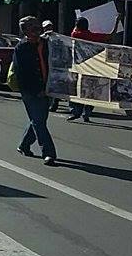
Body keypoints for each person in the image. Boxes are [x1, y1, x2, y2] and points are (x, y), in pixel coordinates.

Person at [14, 16, 57, 166]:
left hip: (48, 88)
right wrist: (36, 90)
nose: (36, 28)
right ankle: (49, 153)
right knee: (39, 122)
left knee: (38, 120)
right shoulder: (21, 48)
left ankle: (24, 145)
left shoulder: (46, 44)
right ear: (25, 30)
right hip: (32, 92)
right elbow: (22, 74)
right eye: (31, 26)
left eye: (37, 25)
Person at [67, 15, 122, 122]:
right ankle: (86, 113)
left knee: (77, 89)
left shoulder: (75, 34)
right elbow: (111, 35)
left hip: (79, 67)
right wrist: (116, 22)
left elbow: (74, 29)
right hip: (93, 68)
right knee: (91, 91)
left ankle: (75, 112)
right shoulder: (93, 36)